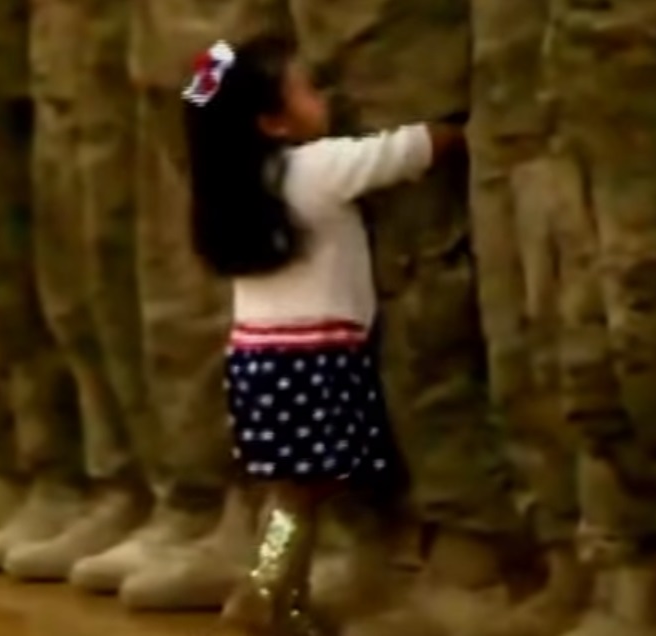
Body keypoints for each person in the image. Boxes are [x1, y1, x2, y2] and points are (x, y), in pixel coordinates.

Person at [180, 34, 464, 635]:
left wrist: (223, 53)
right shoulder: (314, 171)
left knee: (292, 489)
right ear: (274, 123)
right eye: (306, 91)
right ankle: (262, 590)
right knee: (301, 495)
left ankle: (287, 596)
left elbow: (200, 87)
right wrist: (455, 131)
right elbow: (399, 152)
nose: (324, 97)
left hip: (258, 364)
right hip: (314, 363)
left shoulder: (232, 191)